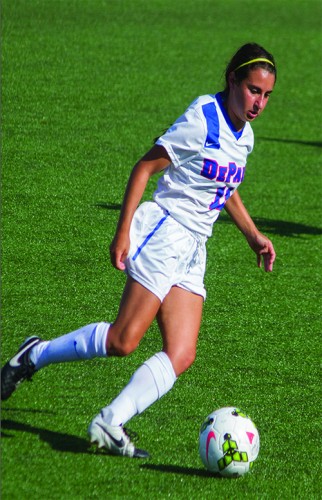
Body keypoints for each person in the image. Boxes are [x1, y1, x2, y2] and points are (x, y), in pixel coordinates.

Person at [1, 42, 277, 459]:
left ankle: (110, 421)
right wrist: (123, 232)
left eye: (267, 95)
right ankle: (34, 354)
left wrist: (252, 234)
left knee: (182, 354)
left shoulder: (246, 136)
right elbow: (145, 167)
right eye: (254, 90)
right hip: (165, 233)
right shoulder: (202, 118)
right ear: (233, 80)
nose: (259, 102)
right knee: (123, 340)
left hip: (194, 248)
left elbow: (226, 186)